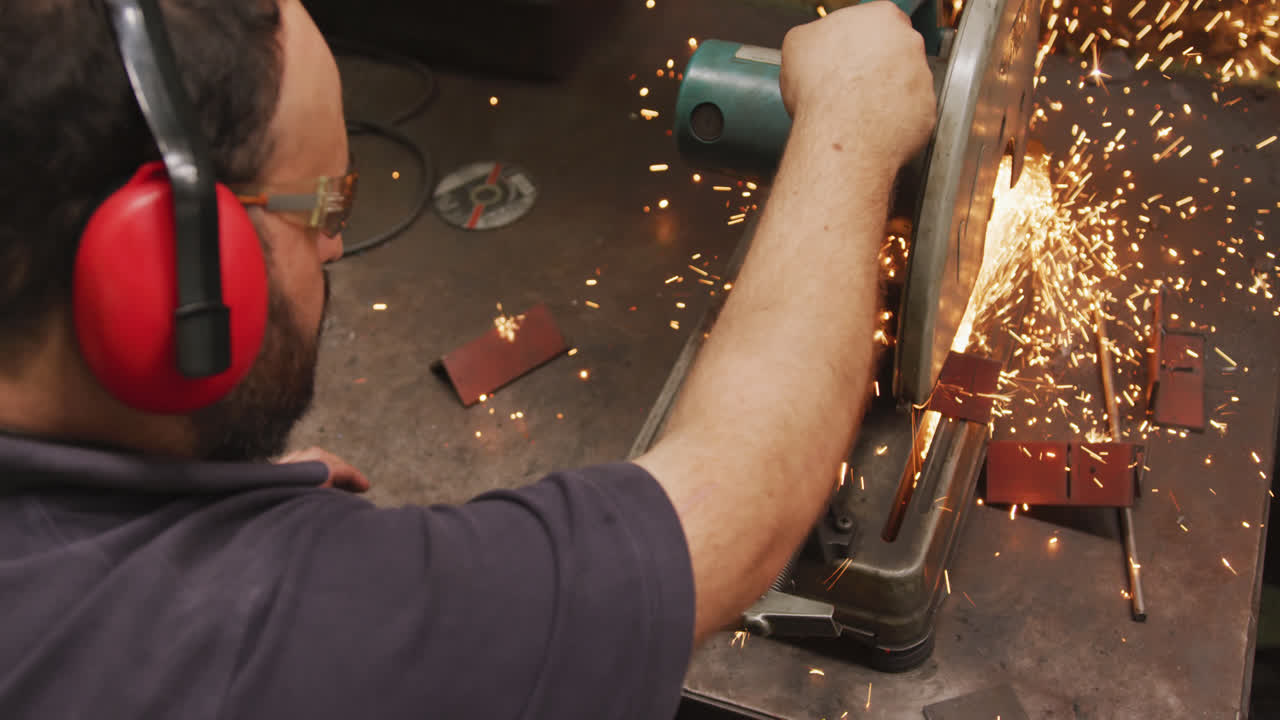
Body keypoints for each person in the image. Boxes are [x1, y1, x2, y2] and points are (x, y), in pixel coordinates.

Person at [0, 0, 935, 717]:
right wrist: (849, 126)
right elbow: (740, 504)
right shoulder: (241, 647)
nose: (335, 249)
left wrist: (170, 497)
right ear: (168, 266)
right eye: (321, 208)